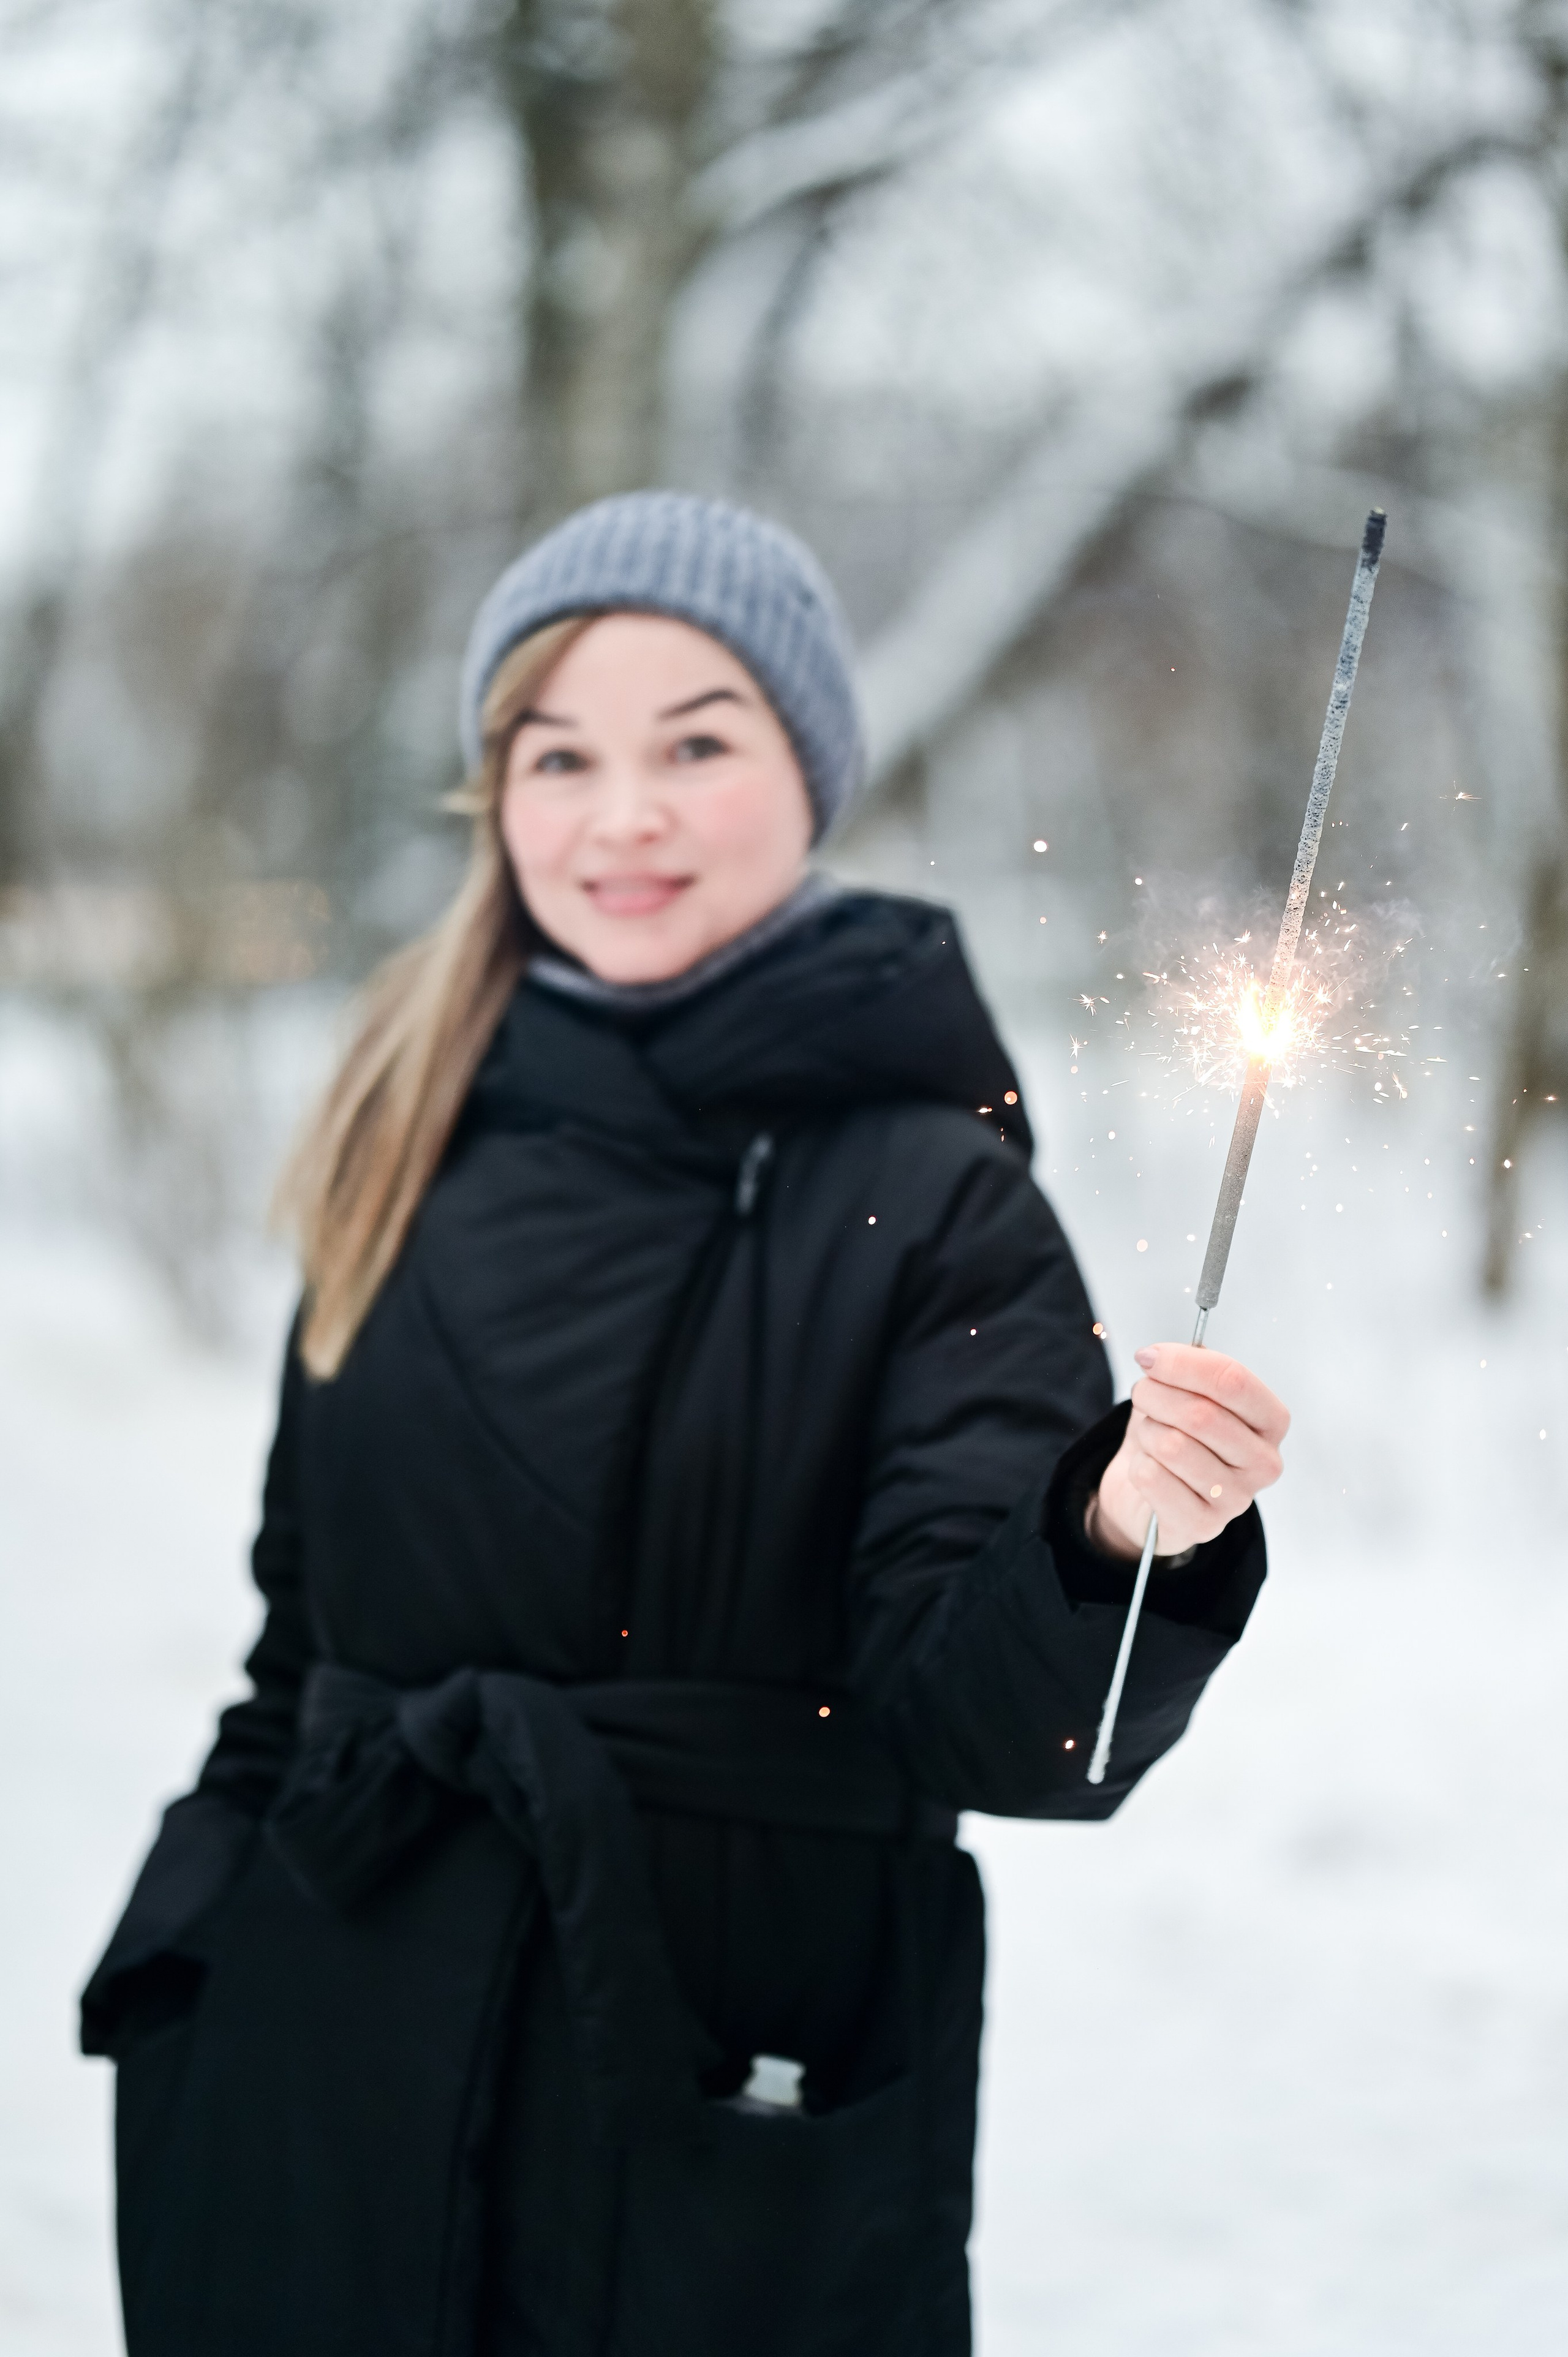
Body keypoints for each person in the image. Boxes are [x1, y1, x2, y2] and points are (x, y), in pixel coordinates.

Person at [81, 492, 1287, 2357]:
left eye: (696, 743)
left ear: (809, 773)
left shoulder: (936, 1196)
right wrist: (192, 1966)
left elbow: (982, 1720)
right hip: (312, 2081)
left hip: (709, 2108)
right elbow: (299, 1641)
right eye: (558, 756)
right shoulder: (402, 1132)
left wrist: (1109, 1535)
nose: (620, 815)